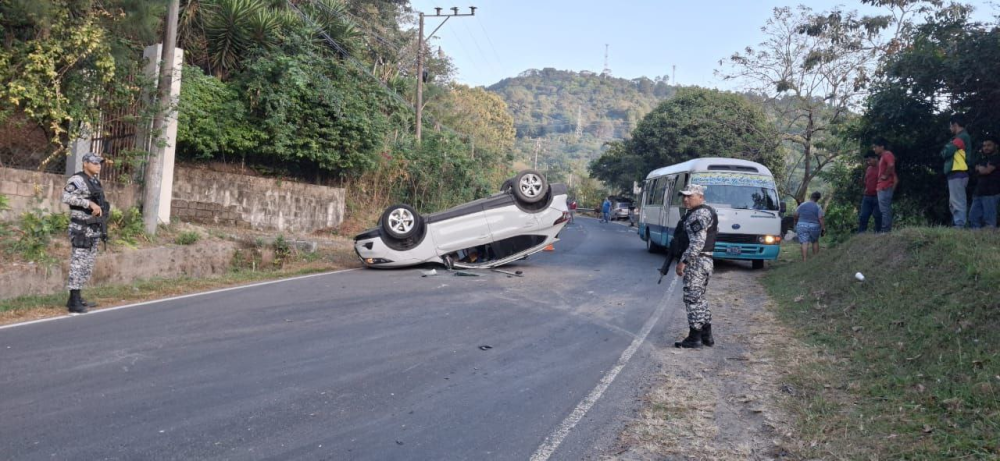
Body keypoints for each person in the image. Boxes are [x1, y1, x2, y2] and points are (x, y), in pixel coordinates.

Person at [62, 152, 109, 314]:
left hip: (93, 228)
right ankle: (74, 300)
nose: (98, 165)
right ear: (85, 164)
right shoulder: (77, 180)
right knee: (78, 263)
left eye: (99, 163)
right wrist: (88, 203)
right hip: (81, 228)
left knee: (87, 265)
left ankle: (76, 297)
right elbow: (66, 197)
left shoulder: (94, 181)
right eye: (95, 163)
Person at [672, 184, 718, 349]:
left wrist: (683, 262)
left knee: (692, 299)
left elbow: (697, 243)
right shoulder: (706, 211)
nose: (685, 199)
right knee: (700, 299)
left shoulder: (698, 214)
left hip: (697, 262)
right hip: (705, 261)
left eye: (690, 196)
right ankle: (707, 336)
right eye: (684, 196)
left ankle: (694, 338)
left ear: (700, 197)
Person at [940, 114, 973, 228]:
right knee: (955, 201)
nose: (950, 129)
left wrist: (946, 148)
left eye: (950, 126)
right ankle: (958, 224)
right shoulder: (962, 137)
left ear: (955, 125)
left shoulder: (961, 137)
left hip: (958, 172)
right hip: (957, 173)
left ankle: (960, 225)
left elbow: (947, 152)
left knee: (958, 201)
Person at [969, 136, 999, 229]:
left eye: (989, 145)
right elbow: (976, 168)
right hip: (978, 192)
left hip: (991, 193)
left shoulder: (997, 158)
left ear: (996, 146)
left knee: (989, 221)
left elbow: (986, 171)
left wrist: (980, 169)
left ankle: (989, 241)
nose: (986, 148)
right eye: (984, 146)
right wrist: (980, 169)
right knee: (973, 217)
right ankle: (975, 241)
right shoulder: (983, 158)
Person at [873, 137, 896, 232]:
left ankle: (885, 230)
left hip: (885, 186)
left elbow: (891, 165)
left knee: (885, 210)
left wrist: (885, 176)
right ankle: (885, 230)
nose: (874, 149)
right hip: (882, 187)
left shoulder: (887, 154)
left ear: (882, 147)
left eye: (875, 147)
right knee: (883, 209)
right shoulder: (883, 157)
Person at [794, 191, 825, 262]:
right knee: (815, 241)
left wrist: (796, 222)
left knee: (804, 242)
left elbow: (795, 214)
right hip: (814, 226)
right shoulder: (818, 207)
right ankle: (815, 259)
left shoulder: (802, 205)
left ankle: (804, 260)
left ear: (811, 196)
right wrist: (823, 228)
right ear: (818, 199)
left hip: (802, 225)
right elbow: (820, 218)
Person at [858, 152, 883, 233]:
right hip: (867, 196)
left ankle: (878, 234)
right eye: (867, 161)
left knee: (878, 216)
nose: (868, 162)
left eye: (869, 160)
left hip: (878, 196)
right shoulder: (869, 168)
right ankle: (861, 235)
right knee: (863, 216)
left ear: (876, 158)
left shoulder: (882, 168)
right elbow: (866, 181)